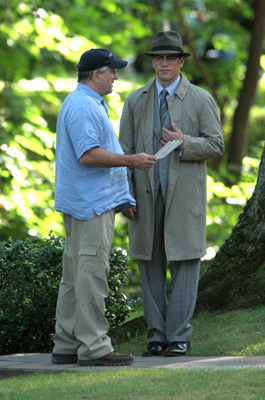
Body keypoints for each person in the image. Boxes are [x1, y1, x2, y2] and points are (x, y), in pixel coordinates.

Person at [119, 31, 224, 357]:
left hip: (184, 197)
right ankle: (156, 336)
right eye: (158, 58)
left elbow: (216, 144)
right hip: (144, 195)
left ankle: (178, 336)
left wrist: (185, 143)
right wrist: (125, 195)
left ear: (181, 61)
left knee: (185, 262)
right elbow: (124, 152)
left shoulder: (200, 98)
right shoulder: (136, 99)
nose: (164, 63)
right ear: (152, 61)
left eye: (170, 58)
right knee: (148, 262)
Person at [51, 48, 156, 366]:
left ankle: (67, 344)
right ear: (96, 74)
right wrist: (132, 160)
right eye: (112, 70)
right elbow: (89, 155)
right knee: (92, 275)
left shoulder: (82, 102)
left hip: (83, 203)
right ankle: (95, 347)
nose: (116, 76)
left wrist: (121, 197)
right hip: (91, 208)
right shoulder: (84, 106)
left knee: (74, 277)